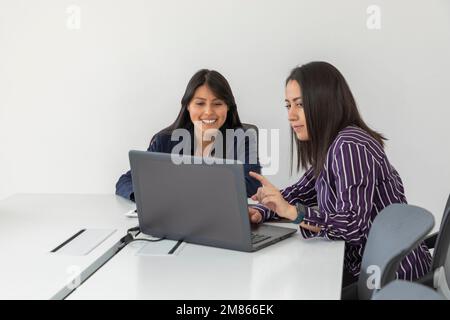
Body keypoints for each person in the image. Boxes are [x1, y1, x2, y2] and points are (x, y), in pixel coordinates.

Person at [248, 61, 432, 286]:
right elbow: (299, 192)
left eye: (300, 105)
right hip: (368, 269)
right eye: (288, 105)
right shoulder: (332, 146)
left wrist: (293, 213)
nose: (291, 116)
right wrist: (261, 209)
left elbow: (352, 225)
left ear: (323, 102)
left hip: (390, 278)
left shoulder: (349, 145)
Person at [116, 69, 261, 201]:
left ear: (228, 107)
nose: (208, 111)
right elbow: (126, 181)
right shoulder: (165, 141)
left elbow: (252, 185)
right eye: (200, 103)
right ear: (187, 106)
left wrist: (185, 189)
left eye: (217, 104)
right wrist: (147, 198)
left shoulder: (242, 139)